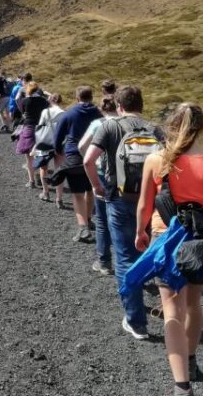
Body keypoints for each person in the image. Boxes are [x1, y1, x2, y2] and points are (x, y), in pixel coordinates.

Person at [135, 103, 203, 396]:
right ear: (201, 128)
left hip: (165, 239)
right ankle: (191, 360)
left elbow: (144, 205)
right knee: (194, 304)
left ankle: (182, 386)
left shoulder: (157, 161)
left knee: (172, 311)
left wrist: (140, 234)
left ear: (171, 126)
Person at [84, 85, 164, 341]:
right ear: (141, 104)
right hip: (151, 200)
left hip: (118, 199)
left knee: (124, 256)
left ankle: (136, 322)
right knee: (150, 249)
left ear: (119, 106)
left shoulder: (109, 126)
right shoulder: (155, 129)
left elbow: (88, 159)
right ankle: (163, 303)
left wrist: (98, 187)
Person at [52, 86, 102, 242]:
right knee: (90, 189)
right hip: (94, 156)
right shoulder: (98, 113)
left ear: (77, 97)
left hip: (74, 156)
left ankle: (83, 228)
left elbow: (58, 137)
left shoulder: (69, 113)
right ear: (91, 97)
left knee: (77, 194)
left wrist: (59, 151)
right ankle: (88, 219)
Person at [78, 97, 119, 274]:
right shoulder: (127, 123)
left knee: (102, 219)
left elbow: (81, 146)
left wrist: (93, 162)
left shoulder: (98, 123)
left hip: (103, 174)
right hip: (128, 175)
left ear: (102, 109)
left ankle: (104, 262)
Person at [15, 81, 49, 189]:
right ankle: (40, 176)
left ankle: (31, 181)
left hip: (28, 127)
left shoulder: (25, 101)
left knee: (29, 156)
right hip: (41, 128)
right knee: (40, 155)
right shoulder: (44, 101)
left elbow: (23, 112)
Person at [36, 93, 65, 203]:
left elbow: (40, 126)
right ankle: (59, 198)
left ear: (51, 100)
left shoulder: (45, 111)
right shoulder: (64, 113)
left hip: (45, 142)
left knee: (43, 167)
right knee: (59, 169)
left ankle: (46, 193)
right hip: (59, 143)